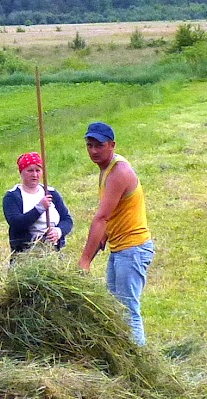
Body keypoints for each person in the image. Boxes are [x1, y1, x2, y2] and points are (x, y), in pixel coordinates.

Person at [78, 122, 154, 346]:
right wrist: (91, 255)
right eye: (89, 145)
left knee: (128, 311)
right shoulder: (105, 169)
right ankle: (125, 354)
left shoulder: (118, 172)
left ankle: (140, 364)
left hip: (133, 250)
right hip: (121, 249)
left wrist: (84, 261)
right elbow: (109, 220)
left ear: (112, 145)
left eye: (98, 146)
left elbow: (101, 218)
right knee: (115, 307)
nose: (93, 151)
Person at [2, 152, 73, 260]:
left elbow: (67, 220)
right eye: (30, 170)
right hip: (25, 256)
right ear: (21, 172)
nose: (35, 175)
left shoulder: (51, 192)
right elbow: (16, 223)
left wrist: (58, 232)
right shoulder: (12, 196)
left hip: (53, 253)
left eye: (38, 170)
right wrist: (39, 208)